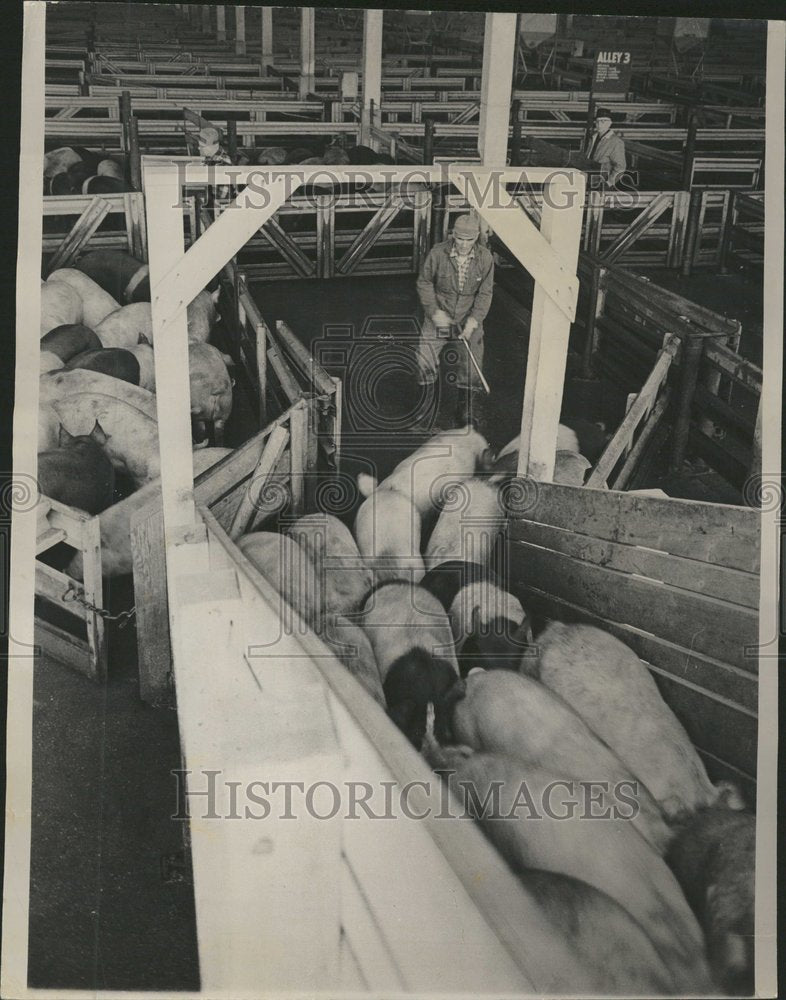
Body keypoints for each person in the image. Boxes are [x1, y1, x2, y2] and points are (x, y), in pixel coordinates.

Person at [415, 213, 494, 389]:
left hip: (468, 316)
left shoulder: (485, 258)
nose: (464, 245)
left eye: (469, 240)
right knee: (424, 359)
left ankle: (464, 410)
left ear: (477, 237)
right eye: (459, 239)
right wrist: (435, 312)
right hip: (439, 312)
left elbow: (485, 293)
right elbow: (424, 282)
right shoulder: (437, 253)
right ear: (452, 234)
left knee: (472, 367)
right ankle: (426, 405)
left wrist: (473, 321)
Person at [584, 108, 626, 187]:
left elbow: (620, 167)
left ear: (610, 123)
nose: (599, 124)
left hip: (602, 183)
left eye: (603, 121)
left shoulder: (616, 142)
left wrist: (609, 183)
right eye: (597, 121)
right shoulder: (593, 138)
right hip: (589, 179)